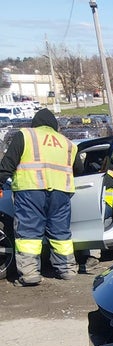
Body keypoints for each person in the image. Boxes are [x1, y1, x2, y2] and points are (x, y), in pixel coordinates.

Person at [0, 108, 83, 285]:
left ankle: (30, 275)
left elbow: (7, 164)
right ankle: (67, 270)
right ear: (54, 125)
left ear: (35, 123)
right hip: (61, 193)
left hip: (31, 190)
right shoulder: (68, 143)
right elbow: (79, 169)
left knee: (29, 233)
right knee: (61, 233)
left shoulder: (26, 135)